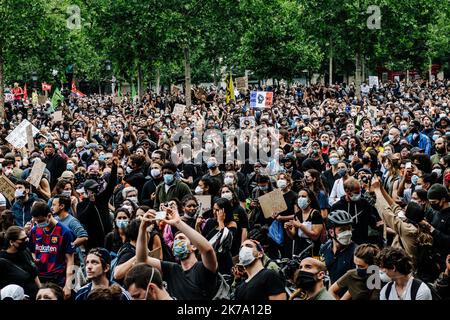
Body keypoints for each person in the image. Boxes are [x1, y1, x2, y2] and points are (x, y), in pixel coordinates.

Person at [136, 207, 220, 300]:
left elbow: (208, 250)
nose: (177, 242)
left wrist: (178, 223)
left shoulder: (203, 268)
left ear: (194, 246)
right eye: (175, 240)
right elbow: (142, 260)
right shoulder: (172, 270)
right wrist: (142, 228)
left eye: (181, 239)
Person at [28, 201, 75, 299]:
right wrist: (34, 258)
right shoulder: (34, 230)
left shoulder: (65, 232)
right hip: (39, 278)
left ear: (49, 215)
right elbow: (32, 250)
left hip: (57, 279)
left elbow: (70, 260)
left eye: (40, 221)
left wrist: (68, 285)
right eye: (36, 221)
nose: (38, 224)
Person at [77, 157, 118, 249]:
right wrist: (90, 203)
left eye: (95, 189)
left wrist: (114, 167)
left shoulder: (102, 198)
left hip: (107, 235)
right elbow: (82, 218)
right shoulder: (81, 205)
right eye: (92, 189)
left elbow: (111, 185)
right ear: (86, 191)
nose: (94, 191)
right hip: (92, 239)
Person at [331, 178, 381, 245]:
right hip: (344, 242)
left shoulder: (364, 203)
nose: (358, 194)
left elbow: (372, 220)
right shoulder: (337, 207)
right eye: (356, 193)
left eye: (359, 191)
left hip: (362, 241)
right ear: (347, 191)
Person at [198, 198, 237, 275]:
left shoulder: (232, 224)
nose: (214, 212)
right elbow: (202, 239)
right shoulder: (210, 222)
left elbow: (224, 240)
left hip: (223, 261)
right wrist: (197, 226)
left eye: (217, 210)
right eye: (213, 209)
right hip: (209, 258)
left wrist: (221, 222)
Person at [0, 226, 40, 298]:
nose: (27, 240)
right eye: (23, 239)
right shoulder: (2, 261)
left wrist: (40, 290)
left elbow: (34, 274)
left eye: (26, 237)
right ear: (12, 242)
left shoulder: (25, 251)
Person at [319, 210, 357, 285]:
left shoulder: (357, 252)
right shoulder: (325, 248)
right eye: (342, 229)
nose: (347, 233)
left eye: (349, 228)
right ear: (331, 232)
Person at [285, 188, 324, 257]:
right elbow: (293, 236)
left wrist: (300, 226)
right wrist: (287, 229)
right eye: (299, 197)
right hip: (299, 250)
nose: (300, 199)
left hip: (312, 250)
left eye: (303, 196)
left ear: (310, 200)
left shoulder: (315, 214)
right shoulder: (297, 214)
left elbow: (315, 236)